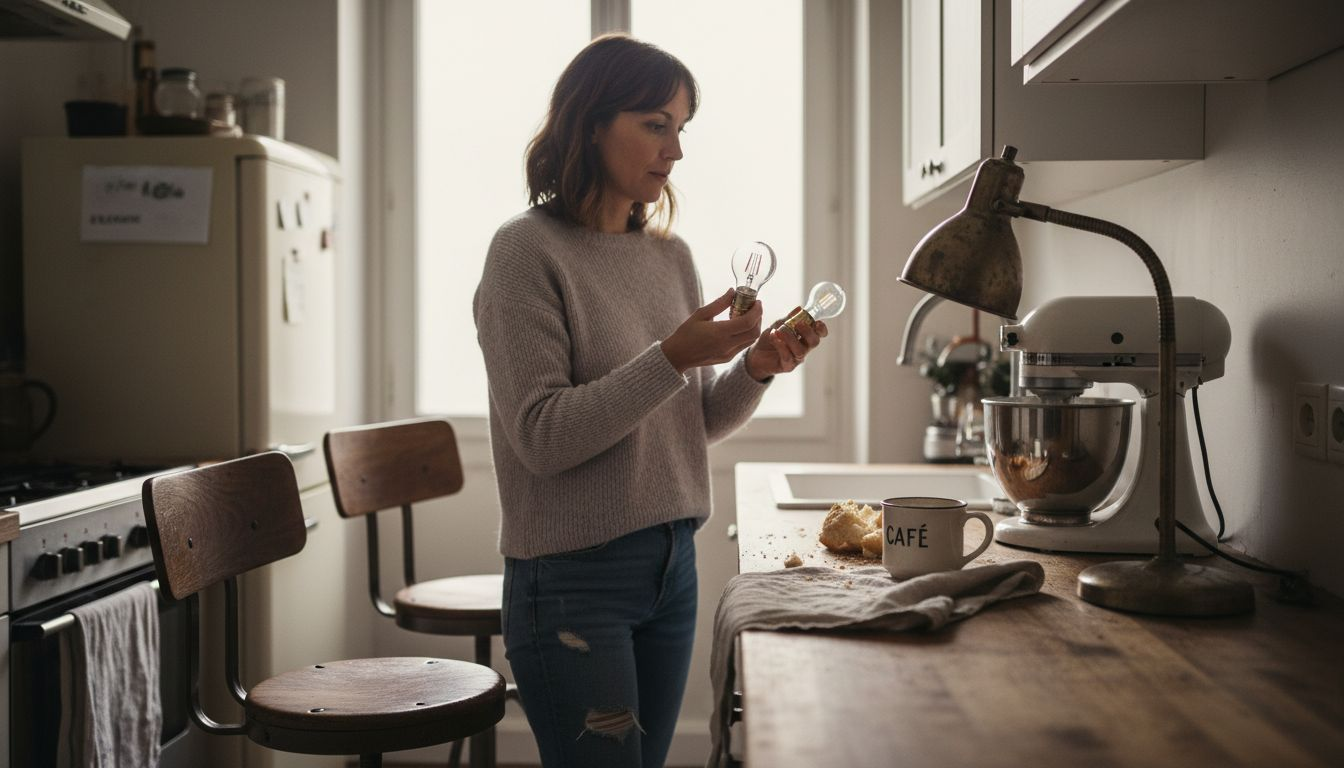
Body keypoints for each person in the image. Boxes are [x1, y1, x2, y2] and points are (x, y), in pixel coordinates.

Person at [472, 34, 828, 768]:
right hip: (571, 583)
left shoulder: (672, 257)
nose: (676, 150)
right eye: (656, 124)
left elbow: (690, 425)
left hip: (673, 567)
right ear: (592, 123)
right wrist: (673, 356)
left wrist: (754, 368)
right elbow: (542, 437)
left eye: (682, 128)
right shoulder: (523, 253)